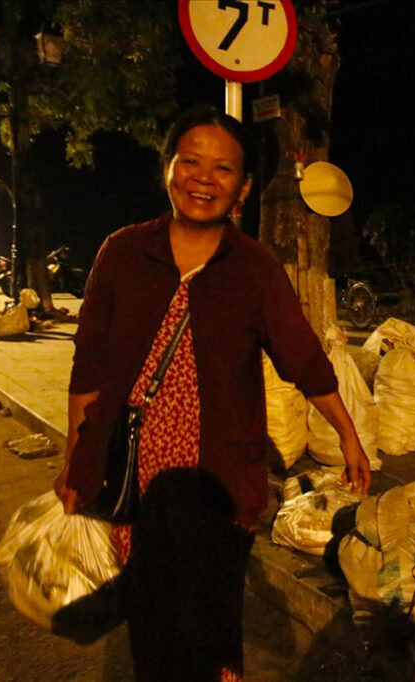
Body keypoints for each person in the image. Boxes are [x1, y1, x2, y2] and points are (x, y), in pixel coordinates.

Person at [54, 106, 371, 682]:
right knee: (150, 617)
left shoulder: (254, 268)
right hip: (131, 475)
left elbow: (303, 358)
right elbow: (89, 367)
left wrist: (350, 436)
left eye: (223, 168)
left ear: (243, 187)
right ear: (168, 170)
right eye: (190, 161)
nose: (204, 178)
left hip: (221, 480)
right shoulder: (122, 252)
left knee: (212, 622)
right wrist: (75, 463)